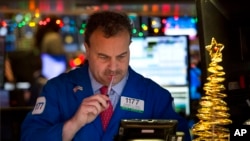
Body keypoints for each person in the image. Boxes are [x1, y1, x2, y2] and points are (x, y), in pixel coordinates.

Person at [21, 11, 191, 141]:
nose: (113, 67)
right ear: (87, 50)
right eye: (103, 57)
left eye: (121, 56)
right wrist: (73, 124)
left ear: (130, 47)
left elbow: (181, 136)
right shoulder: (57, 90)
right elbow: (30, 137)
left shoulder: (156, 96)